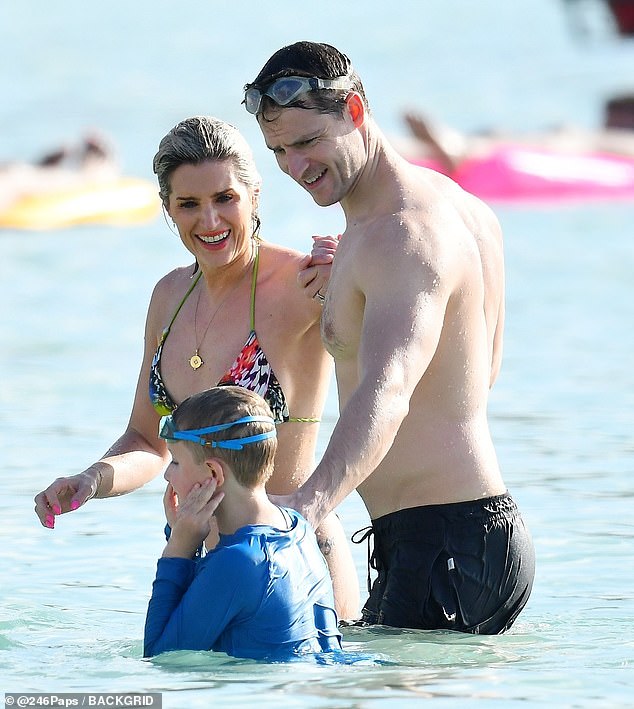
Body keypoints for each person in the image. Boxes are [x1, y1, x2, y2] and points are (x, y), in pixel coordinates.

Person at [244, 41, 535, 634]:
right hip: (468, 540)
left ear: (354, 110)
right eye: (278, 152)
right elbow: (478, 371)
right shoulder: (458, 208)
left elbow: (389, 388)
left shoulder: (400, 235)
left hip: (443, 546)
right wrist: (357, 293)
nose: (295, 168)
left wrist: (309, 506)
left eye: (306, 143)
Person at [33, 115, 359, 620]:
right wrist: (91, 480)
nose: (209, 221)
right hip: (196, 565)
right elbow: (146, 442)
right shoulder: (169, 296)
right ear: (168, 209)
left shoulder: (303, 285)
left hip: (289, 562)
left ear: (254, 194)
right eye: (189, 204)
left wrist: (355, 274)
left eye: (225, 198)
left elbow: (396, 358)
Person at [143, 385, 342, 659]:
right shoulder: (299, 529)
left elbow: (161, 656)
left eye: (175, 462)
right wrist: (182, 534)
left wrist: (177, 548)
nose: (167, 476)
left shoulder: (239, 561)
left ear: (213, 471)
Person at [400, 94, 634, 175]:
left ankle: (458, 150)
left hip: (567, 143)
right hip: (555, 139)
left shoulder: (618, 141)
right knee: (499, 135)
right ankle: (455, 147)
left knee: (562, 140)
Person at [0, 133, 118, 211]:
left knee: (15, 180)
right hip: (26, 175)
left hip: (27, 178)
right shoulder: (72, 176)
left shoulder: (76, 178)